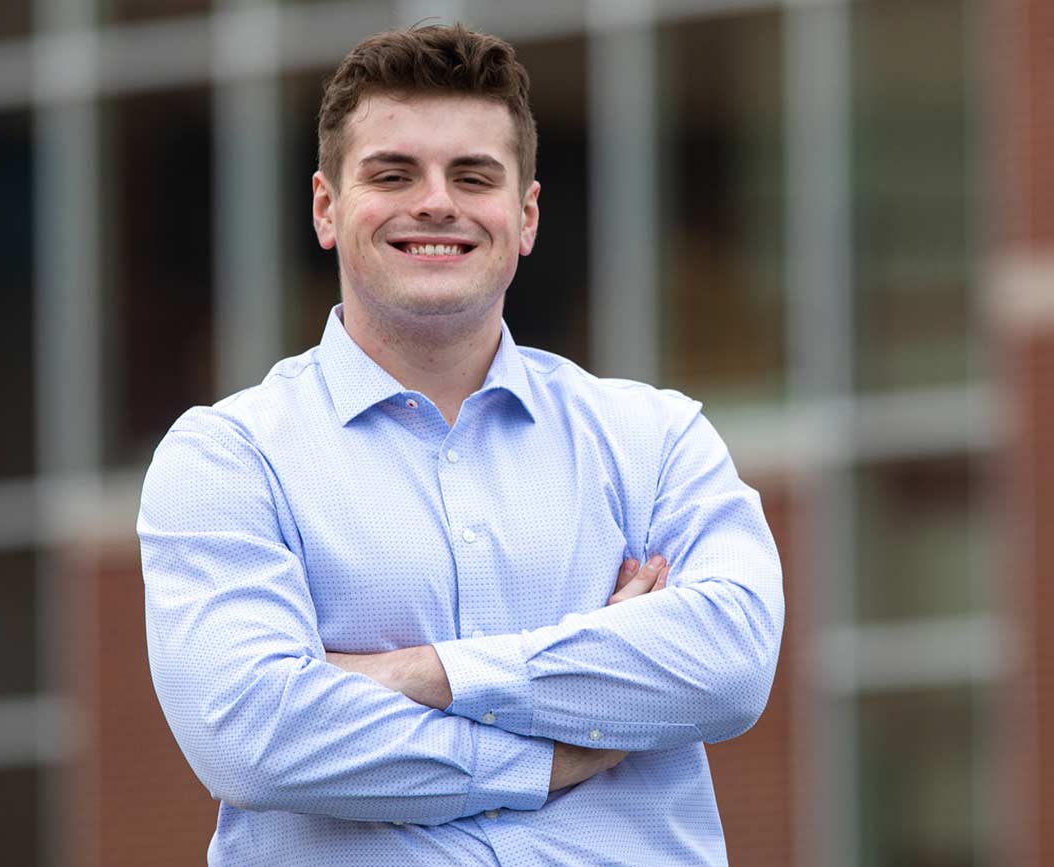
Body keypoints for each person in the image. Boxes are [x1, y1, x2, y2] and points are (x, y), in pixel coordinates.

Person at [137, 21, 786, 866]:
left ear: (525, 216)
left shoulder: (653, 441)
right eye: (393, 174)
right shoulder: (227, 458)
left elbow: (729, 663)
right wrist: (549, 754)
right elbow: (252, 733)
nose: (435, 201)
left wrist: (419, 672)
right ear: (326, 208)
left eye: (472, 176)